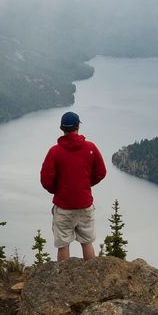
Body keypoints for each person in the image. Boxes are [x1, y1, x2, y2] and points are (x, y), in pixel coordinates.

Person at [40, 111, 107, 261]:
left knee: (63, 244)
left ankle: (63, 280)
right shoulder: (90, 148)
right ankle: (91, 277)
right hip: (84, 204)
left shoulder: (54, 152)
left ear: (61, 128)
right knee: (87, 242)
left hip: (63, 206)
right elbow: (101, 172)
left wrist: (58, 190)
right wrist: (85, 185)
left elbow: (46, 180)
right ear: (78, 126)